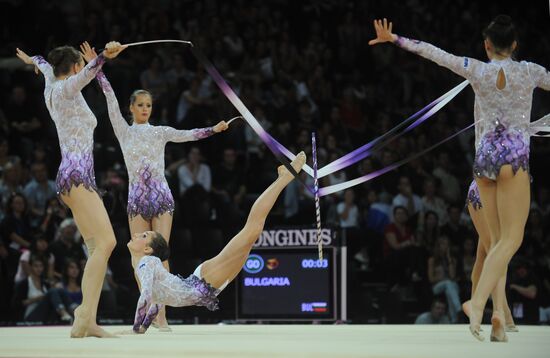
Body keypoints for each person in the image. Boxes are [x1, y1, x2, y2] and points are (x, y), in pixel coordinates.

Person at [368, 16, 550, 341]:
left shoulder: (477, 69)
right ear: (516, 45)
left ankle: (490, 310)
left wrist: (395, 40)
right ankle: (479, 304)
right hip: (514, 158)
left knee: (493, 243)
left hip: (484, 160)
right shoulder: (531, 71)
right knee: (510, 240)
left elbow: (435, 53)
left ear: (487, 45)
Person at [86, 41, 229, 331]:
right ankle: (146, 308)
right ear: (131, 108)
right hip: (137, 199)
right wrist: (99, 66)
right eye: (140, 105)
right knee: (138, 257)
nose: (145, 109)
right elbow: (109, 98)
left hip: (161, 197)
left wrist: (213, 130)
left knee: (162, 255)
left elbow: (186, 135)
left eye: (149, 105)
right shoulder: (124, 132)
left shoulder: (160, 132)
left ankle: (162, 316)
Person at [117, 152, 306, 334]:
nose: (136, 235)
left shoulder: (146, 262)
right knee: (251, 235)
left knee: (252, 230)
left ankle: (283, 178)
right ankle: (281, 179)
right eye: (142, 234)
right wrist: (142, 328)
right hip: (205, 286)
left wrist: (135, 329)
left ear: (148, 249)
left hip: (203, 281)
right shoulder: (146, 263)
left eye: (143, 236)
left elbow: (146, 296)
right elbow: (156, 301)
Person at [15, 41, 125, 337]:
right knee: (107, 243)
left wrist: (31, 60)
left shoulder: (51, 85)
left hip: (71, 177)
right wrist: (103, 56)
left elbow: (44, 65)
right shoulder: (66, 89)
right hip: (76, 176)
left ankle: (87, 321)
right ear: (76, 66)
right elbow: (84, 76)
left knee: (95, 247)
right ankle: (85, 315)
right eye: (80, 63)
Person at [12, 255, 73, 323]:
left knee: (59, 290)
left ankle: (73, 310)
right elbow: (16, 304)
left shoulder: (45, 284)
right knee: (52, 291)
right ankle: (63, 313)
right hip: (30, 316)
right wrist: (37, 299)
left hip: (45, 315)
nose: (39, 269)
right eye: (36, 266)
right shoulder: (25, 283)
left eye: (41, 266)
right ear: (31, 267)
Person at [427, 236, 461, 323]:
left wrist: (449, 259)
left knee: (449, 288)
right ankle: (459, 309)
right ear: (438, 246)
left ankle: (454, 320)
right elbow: (431, 279)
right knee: (448, 284)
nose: (445, 246)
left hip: (450, 286)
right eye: (443, 244)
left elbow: (452, 276)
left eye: (447, 244)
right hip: (437, 287)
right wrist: (441, 278)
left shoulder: (452, 260)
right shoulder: (432, 260)